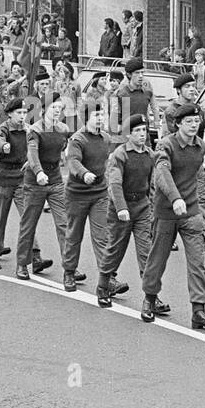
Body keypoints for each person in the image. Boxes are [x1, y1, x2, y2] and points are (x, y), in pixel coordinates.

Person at [140, 102, 205, 329]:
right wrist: (175, 199)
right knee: (158, 258)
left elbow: (197, 177)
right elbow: (162, 173)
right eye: (189, 122)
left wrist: (198, 207)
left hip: (191, 212)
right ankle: (150, 299)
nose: (194, 125)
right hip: (166, 211)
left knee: (197, 262)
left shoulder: (200, 147)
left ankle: (199, 311)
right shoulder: (166, 145)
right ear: (178, 124)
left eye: (197, 121)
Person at [97, 114, 159, 309]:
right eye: (137, 131)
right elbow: (114, 183)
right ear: (129, 135)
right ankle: (103, 286)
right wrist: (121, 208)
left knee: (146, 252)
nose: (142, 135)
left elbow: (152, 183)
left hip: (141, 207)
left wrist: (151, 206)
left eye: (144, 130)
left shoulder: (150, 154)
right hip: (121, 208)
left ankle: (151, 296)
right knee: (115, 249)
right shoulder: (120, 154)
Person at [164, 73, 205, 250]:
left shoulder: (198, 109)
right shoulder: (172, 111)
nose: (192, 89)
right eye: (187, 86)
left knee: (200, 197)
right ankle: (165, 234)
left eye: (193, 86)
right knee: (172, 198)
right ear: (179, 90)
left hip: (196, 159)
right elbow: (175, 136)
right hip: (177, 160)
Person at [16, 99, 70, 279]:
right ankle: (22, 264)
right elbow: (32, 153)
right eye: (54, 107)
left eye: (60, 108)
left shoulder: (63, 129)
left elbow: (65, 146)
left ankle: (69, 267)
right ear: (45, 109)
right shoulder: (35, 130)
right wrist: (38, 172)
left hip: (55, 181)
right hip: (35, 182)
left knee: (64, 224)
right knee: (28, 224)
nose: (57, 111)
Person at [63, 103, 113, 291]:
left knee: (102, 236)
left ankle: (107, 278)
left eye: (102, 115)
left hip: (99, 193)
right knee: (74, 235)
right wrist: (84, 174)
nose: (100, 119)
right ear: (86, 119)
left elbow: (107, 161)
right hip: (77, 194)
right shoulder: (77, 139)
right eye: (96, 116)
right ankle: (69, 272)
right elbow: (73, 161)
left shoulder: (106, 138)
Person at [0, 98, 40, 272]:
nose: (22, 116)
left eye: (25, 113)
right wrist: (4, 146)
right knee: (0, 218)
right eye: (19, 113)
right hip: (3, 178)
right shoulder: (3, 128)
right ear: (10, 114)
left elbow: (35, 147)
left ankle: (35, 253)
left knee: (27, 217)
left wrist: (32, 160)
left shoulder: (28, 130)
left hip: (21, 177)